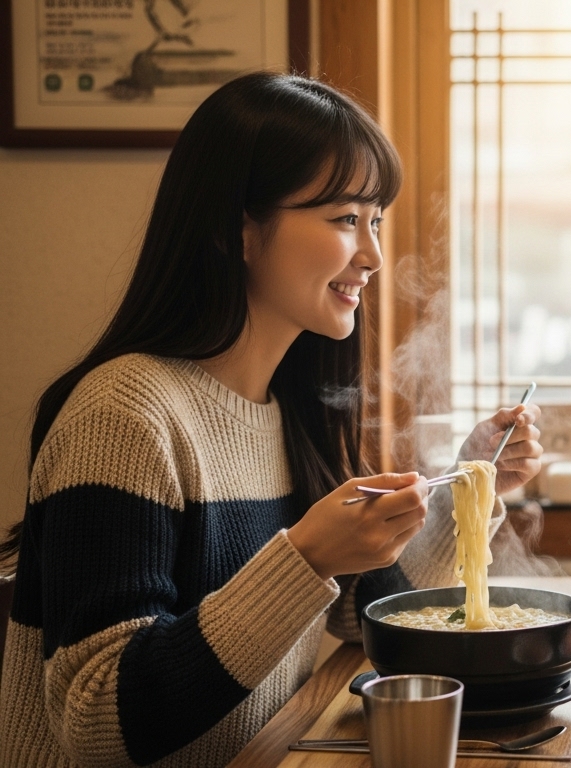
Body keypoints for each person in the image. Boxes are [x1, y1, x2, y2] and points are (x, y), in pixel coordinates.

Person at [0, 72, 542, 767]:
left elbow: (357, 612)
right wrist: (306, 555)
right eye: (345, 219)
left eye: (375, 220)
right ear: (239, 231)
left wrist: (473, 480)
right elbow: (102, 720)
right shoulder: (124, 415)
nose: (373, 256)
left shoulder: (288, 408)